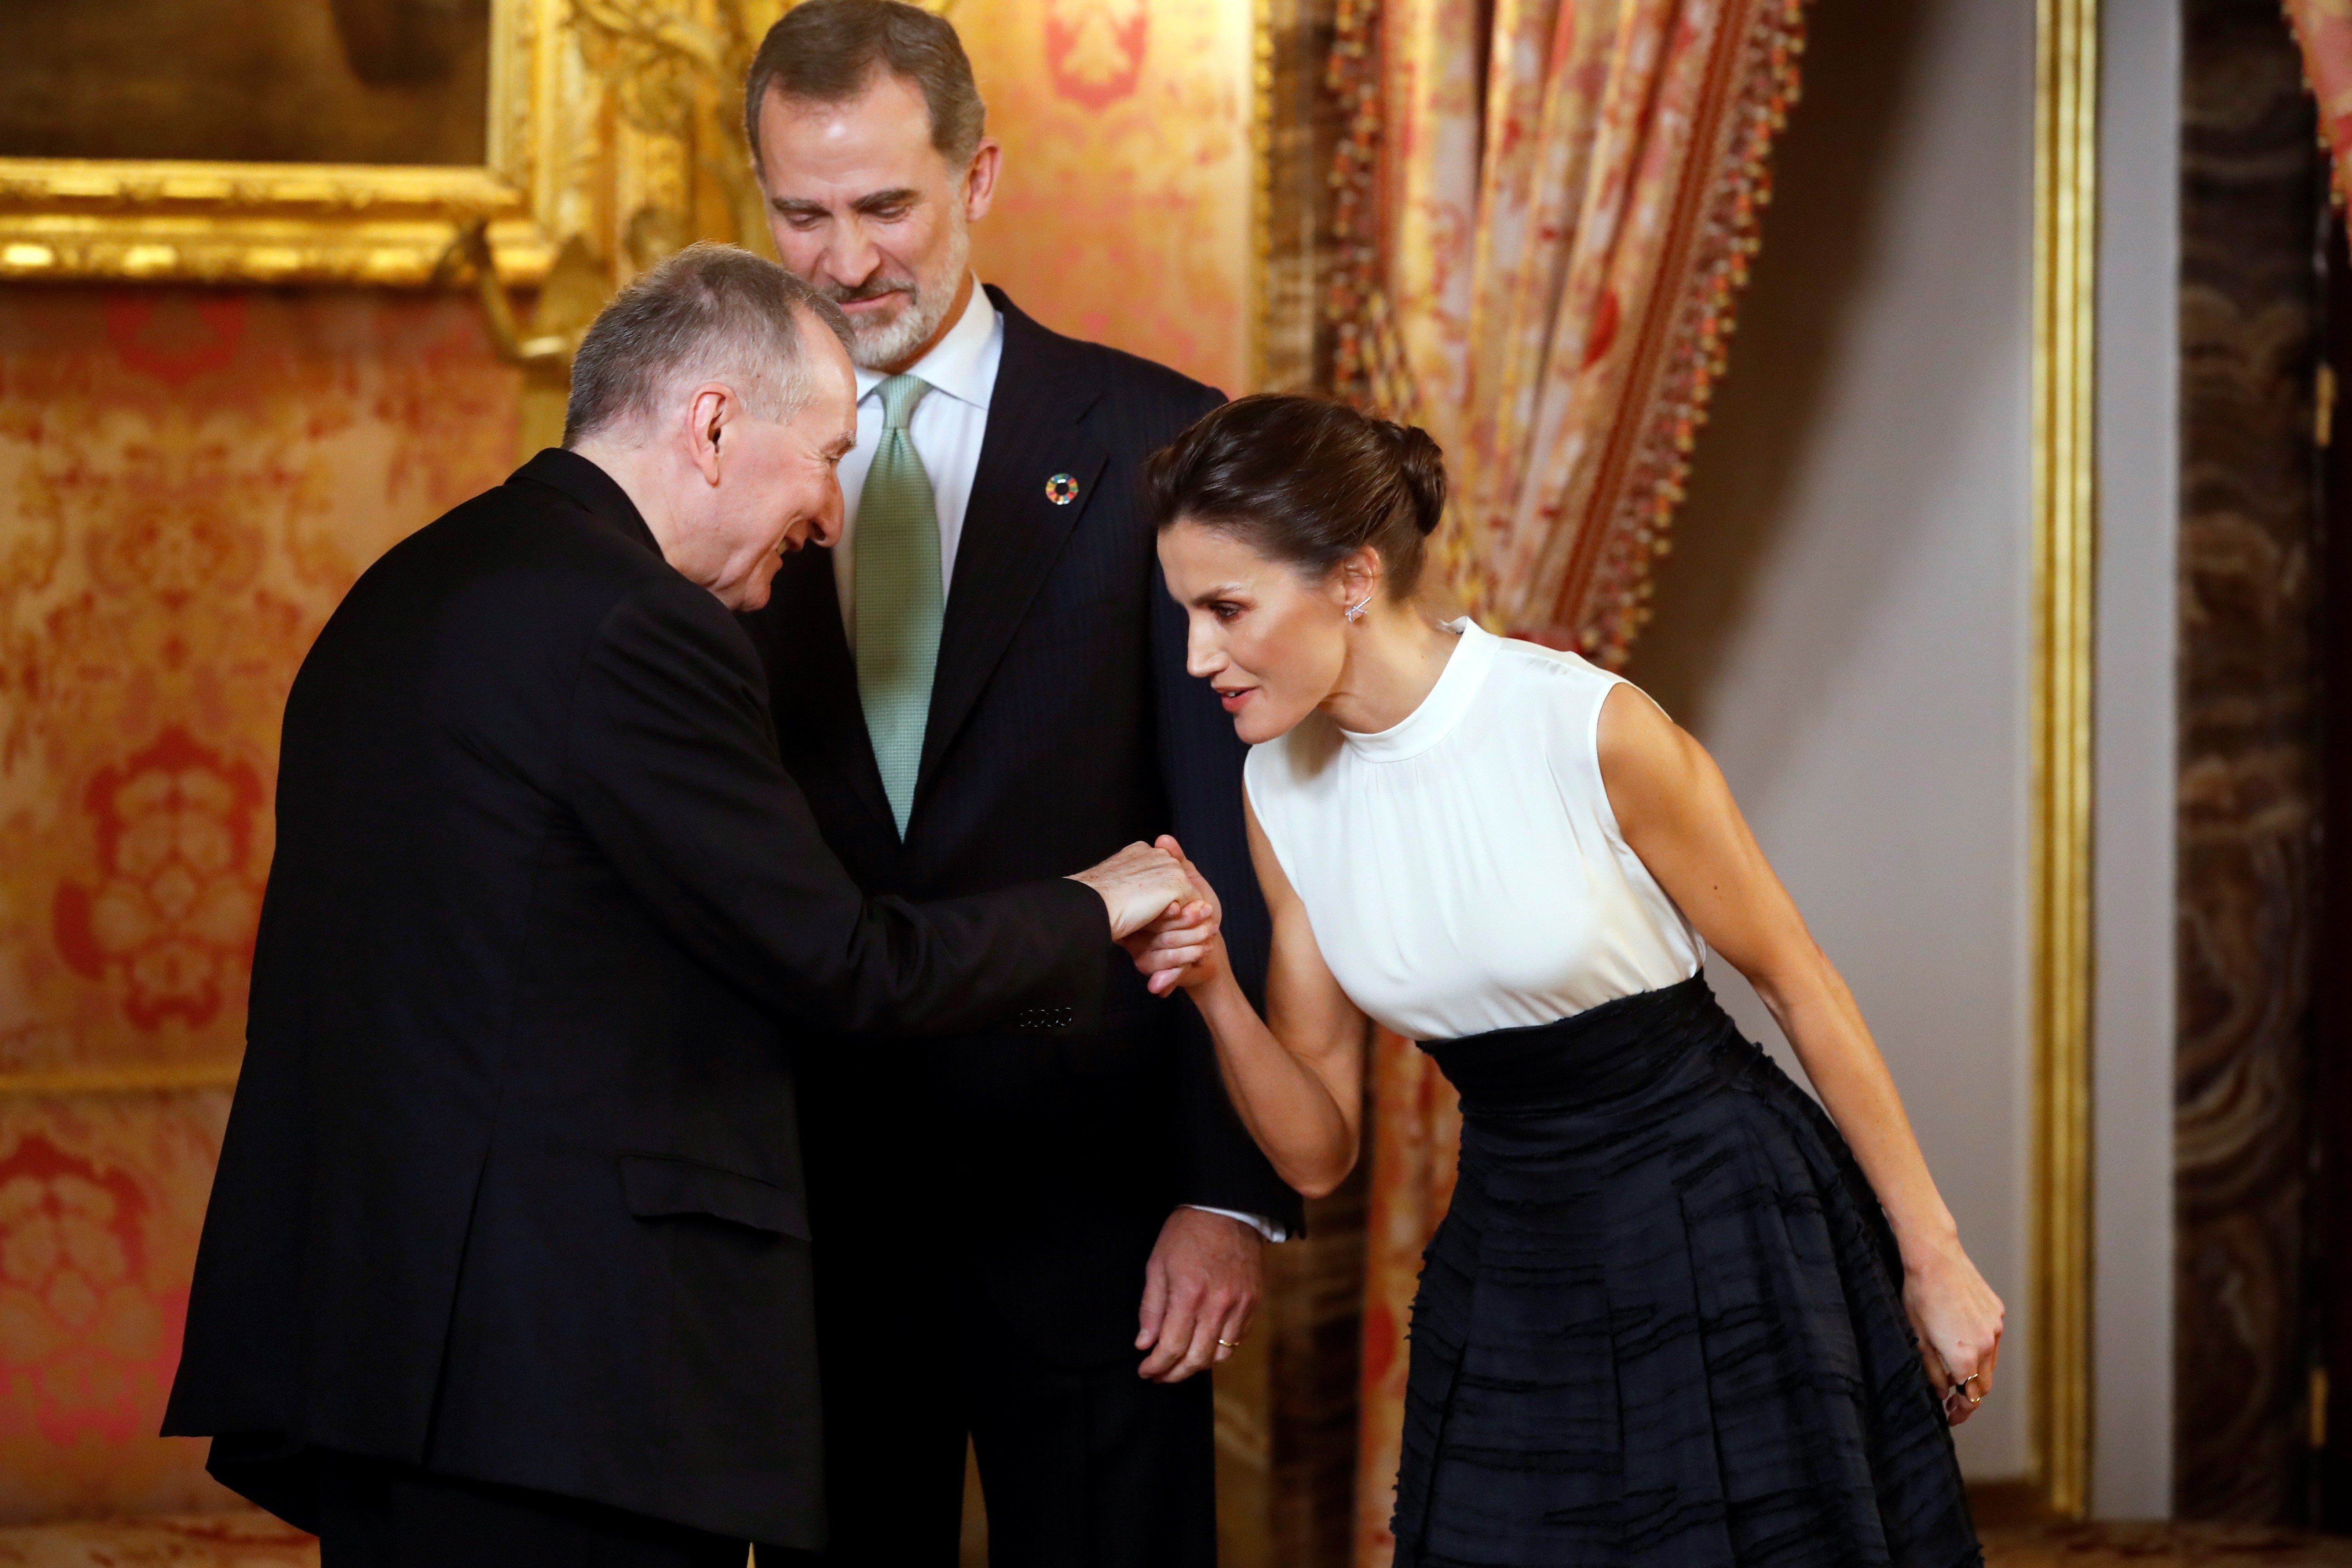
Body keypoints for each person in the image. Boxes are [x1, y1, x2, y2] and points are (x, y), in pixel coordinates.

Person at [161, 243, 1205, 1568]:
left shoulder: (408, 588)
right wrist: (1094, 900)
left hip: (380, 1353)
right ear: (712, 425)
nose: (832, 510)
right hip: (558, 1382)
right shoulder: (636, 627)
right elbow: (844, 965)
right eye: (826, 452)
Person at [1128, 394, 1999, 1568]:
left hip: (1722, 1211)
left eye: (1226, 609)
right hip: (1517, 1239)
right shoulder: (1281, 790)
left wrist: (1936, 1258)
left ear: (1350, 576)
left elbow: (1799, 984)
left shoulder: (1584, 726)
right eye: (1185, 613)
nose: (1197, 656)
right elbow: (1317, 1154)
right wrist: (1215, 989)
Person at [733, 4, 1300, 1562]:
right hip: (811, 1203)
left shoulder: (1156, 445)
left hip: (1096, 1202)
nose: (844, 261)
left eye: (884, 207)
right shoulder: (710, 456)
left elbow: (1227, 848)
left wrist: (1224, 1193)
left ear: (976, 177)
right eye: (801, 214)